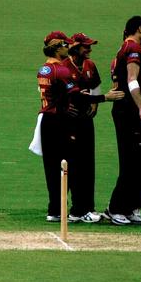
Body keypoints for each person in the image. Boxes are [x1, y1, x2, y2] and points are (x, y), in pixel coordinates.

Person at [37, 32, 123, 223]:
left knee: (53, 167)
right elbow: (76, 97)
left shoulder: (44, 69)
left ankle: (55, 210)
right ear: (58, 47)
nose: (67, 49)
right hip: (61, 122)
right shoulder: (61, 70)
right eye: (65, 46)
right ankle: (80, 210)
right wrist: (104, 98)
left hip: (47, 121)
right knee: (74, 164)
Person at [102, 16, 141, 225]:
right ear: (139, 29)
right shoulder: (133, 49)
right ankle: (115, 209)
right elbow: (132, 80)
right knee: (130, 161)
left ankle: (131, 206)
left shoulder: (125, 48)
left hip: (125, 111)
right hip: (127, 111)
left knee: (136, 160)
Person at [61, 32, 102, 222]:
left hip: (86, 121)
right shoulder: (64, 67)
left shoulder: (90, 65)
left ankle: (88, 207)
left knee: (88, 163)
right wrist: (63, 106)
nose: (90, 50)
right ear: (75, 48)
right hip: (70, 122)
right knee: (74, 164)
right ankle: (76, 209)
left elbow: (96, 86)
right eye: (86, 46)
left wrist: (94, 104)